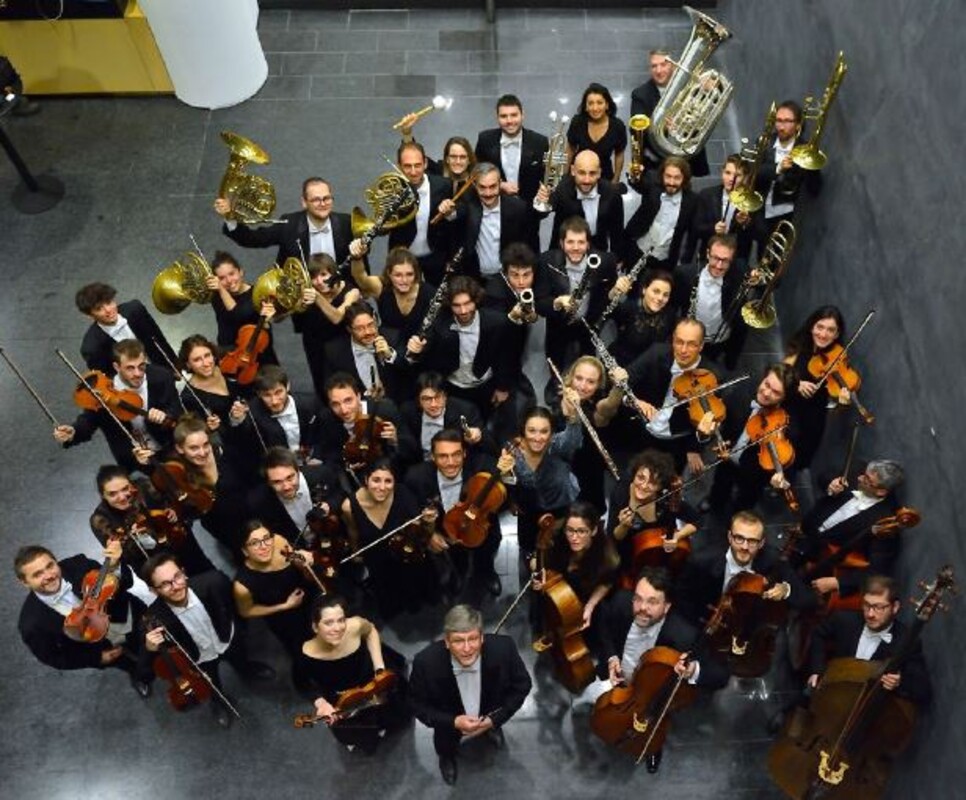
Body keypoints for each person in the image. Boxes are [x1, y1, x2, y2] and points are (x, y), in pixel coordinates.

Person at [596, 567, 728, 772]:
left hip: (654, 697)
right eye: (638, 599)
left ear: (666, 607)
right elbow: (603, 625)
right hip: (620, 683)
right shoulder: (621, 602)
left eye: (652, 602)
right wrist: (611, 657)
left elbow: (721, 676)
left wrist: (692, 670)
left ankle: (652, 747)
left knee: (653, 724)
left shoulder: (684, 635)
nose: (642, 608)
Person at [138, 553, 276, 728]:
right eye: (165, 584)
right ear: (154, 590)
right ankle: (218, 702)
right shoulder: (153, 619)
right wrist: (150, 648)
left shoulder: (215, 581)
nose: (176, 586)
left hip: (228, 640)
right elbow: (144, 668)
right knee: (211, 684)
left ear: (183, 572)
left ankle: (247, 669)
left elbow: (237, 608)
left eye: (177, 576)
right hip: (199, 660)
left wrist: (241, 630)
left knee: (240, 658)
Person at [410, 604, 532, 785]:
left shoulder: (504, 648)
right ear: (447, 641)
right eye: (458, 641)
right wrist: (453, 722)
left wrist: (494, 720)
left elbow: (522, 686)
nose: (467, 648)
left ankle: (491, 730)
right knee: (445, 745)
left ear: (482, 637)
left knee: (492, 725)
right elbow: (416, 704)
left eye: (473, 639)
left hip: (490, 712)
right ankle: (447, 757)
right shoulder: (425, 663)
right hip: (448, 726)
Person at [15, 542, 149, 696]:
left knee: (156, 645)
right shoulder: (31, 624)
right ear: (24, 582)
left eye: (50, 566)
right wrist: (97, 658)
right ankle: (140, 675)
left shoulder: (79, 564)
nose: (49, 576)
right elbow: (53, 657)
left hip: (133, 616)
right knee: (131, 664)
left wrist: (114, 567)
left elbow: (126, 582)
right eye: (37, 574)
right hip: (103, 647)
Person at [404, 429, 515, 597]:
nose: (451, 463)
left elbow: (509, 497)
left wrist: (507, 473)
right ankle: (457, 576)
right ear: (432, 457)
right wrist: (429, 533)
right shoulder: (416, 477)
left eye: (456, 455)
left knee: (486, 554)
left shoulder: (483, 465)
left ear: (464, 454)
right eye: (443, 456)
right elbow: (410, 508)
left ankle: (486, 573)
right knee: (456, 561)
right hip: (447, 532)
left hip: (482, 529)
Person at [294, 595, 410, 753]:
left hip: (372, 682)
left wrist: (379, 668)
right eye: (328, 623)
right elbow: (301, 683)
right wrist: (321, 703)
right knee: (357, 728)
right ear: (315, 627)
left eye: (341, 620)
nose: (337, 628)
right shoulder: (305, 654)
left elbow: (370, 631)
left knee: (392, 708)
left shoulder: (355, 625)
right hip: (342, 697)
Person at [407, 275, 517, 438]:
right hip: (453, 387)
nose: (463, 310)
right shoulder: (439, 324)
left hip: (484, 385)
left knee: (482, 430)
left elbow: (505, 357)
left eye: (467, 303)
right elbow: (425, 351)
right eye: (457, 305)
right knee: (455, 430)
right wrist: (416, 349)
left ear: (476, 300)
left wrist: (502, 387)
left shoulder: (496, 322)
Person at [54, 338, 181, 474]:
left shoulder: (162, 376)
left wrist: (166, 415)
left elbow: (176, 408)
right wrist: (74, 431)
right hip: (133, 460)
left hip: (168, 447)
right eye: (130, 368)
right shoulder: (103, 391)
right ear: (117, 367)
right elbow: (88, 420)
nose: (137, 373)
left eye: (141, 366)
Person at [674, 510, 814, 628]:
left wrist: (785, 590)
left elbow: (808, 599)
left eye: (752, 541)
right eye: (739, 538)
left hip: (749, 626)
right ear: (730, 537)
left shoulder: (773, 560)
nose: (745, 547)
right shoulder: (701, 560)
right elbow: (680, 596)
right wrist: (703, 625)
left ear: (761, 543)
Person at [805, 574, 931, 704]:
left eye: (879, 607)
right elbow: (818, 634)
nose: (870, 614)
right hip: (832, 695)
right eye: (866, 605)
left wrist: (899, 682)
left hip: (871, 706)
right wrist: (816, 670)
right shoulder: (844, 620)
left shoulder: (906, 641)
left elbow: (923, 689)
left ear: (895, 607)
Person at [340, 458, 441, 618]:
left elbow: (420, 531)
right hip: (378, 562)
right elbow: (353, 531)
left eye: (388, 481)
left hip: (407, 556)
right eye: (376, 480)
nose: (382, 487)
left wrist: (429, 523)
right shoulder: (348, 506)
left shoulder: (404, 494)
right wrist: (356, 552)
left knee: (419, 599)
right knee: (391, 604)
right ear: (366, 480)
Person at [794, 460, 904, 601]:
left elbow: (877, 571)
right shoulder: (858, 473)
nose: (859, 478)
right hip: (804, 532)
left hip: (822, 561)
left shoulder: (885, 524)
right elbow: (824, 476)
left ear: (881, 491)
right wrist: (830, 483)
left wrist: (837, 582)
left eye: (867, 480)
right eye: (864, 474)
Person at [620, 318, 719, 472]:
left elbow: (708, 420)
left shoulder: (712, 377)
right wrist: (634, 401)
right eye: (679, 342)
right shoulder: (655, 353)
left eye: (691, 344)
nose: (683, 350)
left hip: (677, 441)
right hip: (642, 430)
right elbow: (623, 383)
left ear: (701, 346)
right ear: (672, 340)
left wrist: (694, 446)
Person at [704, 362, 800, 514]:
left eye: (776, 392)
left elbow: (786, 462)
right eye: (766, 384)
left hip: (754, 474)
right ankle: (714, 502)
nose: (766, 393)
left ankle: (735, 518)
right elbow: (724, 418)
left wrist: (779, 477)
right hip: (727, 456)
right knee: (720, 483)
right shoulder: (741, 393)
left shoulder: (788, 428)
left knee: (745, 501)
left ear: (784, 398)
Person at [89, 464, 215, 579]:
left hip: (176, 538)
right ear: (103, 495)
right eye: (112, 494)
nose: (122, 497)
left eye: (125, 488)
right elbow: (124, 557)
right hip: (151, 563)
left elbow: (168, 501)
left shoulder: (143, 486)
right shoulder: (100, 519)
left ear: (131, 483)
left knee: (206, 573)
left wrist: (172, 511)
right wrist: (136, 540)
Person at [540, 216, 624, 373]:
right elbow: (539, 304)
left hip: (589, 323)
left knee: (588, 367)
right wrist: (557, 302)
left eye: (581, 242)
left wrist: (614, 291)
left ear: (588, 244)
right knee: (555, 364)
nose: (576, 248)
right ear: (561, 243)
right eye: (570, 242)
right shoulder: (547, 261)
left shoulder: (606, 261)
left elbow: (607, 295)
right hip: (558, 325)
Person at [215, 175, 353, 268]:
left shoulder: (347, 223)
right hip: (301, 296)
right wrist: (230, 217)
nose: (323, 204)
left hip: (340, 294)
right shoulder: (289, 225)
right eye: (316, 200)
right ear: (304, 202)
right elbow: (253, 239)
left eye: (327, 198)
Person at [606, 449, 699, 586]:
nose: (644, 486)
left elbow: (697, 520)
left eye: (653, 482)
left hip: (660, 555)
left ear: (660, 486)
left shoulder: (666, 498)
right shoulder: (621, 492)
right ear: (634, 475)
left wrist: (677, 536)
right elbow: (614, 537)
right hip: (629, 555)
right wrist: (624, 525)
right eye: (640, 478)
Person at [531, 502, 619, 638]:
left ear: (593, 530)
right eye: (570, 530)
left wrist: (590, 606)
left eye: (582, 531)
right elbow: (535, 559)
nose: (574, 537)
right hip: (554, 593)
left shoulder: (605, 554)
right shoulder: (556, 537)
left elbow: (606, 583)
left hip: (582, 598)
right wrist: (539, 573)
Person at [232, 520, 320, 656]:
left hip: (310, 598)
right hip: (287, 619)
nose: (264, 546)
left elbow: (290, 556)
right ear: (245, 551)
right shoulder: (242, 585)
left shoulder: (278, 541)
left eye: (266, 538)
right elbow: (246, 611)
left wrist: (301, 559)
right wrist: (286, 606)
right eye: (254, 543)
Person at [439, 161, 536, 281]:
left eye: (493, 186)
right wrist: (448, 211)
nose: (488, 193)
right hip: (474, 277)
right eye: (482, 187)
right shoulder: (468, 204)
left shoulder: (517, 208)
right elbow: (455, 215)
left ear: (500, 183)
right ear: (474, 185)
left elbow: (528, 244)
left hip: (507, 277)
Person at [783, 305, 851, 470]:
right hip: (788, 405)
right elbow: (782, 374)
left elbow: (834, 406)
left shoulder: (838, 358)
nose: (823, 334)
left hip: (813, 416)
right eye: (820, 327)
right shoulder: (799, 344)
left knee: (799, 456)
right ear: (812, 326)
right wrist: (797, 384)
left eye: (830, 330)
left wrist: (841, 402)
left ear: (837, 334)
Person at [510, 406, 583, 553]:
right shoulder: (513, 453)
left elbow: (573, 440)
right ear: (523, 431)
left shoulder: (556, 446)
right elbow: (509, 483)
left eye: (544, 431)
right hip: (528, 514)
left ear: (551, 434)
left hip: (560, 511)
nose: (537, 438)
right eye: (532, 431)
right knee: (528, 550)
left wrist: (573, 416)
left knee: (560, 552)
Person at [630, 49, 710, 179]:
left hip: (686, 154)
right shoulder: (640, 94)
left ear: (673, 65)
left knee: (685, 188)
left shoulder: (691, 86)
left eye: (663, 64)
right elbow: (635, 130)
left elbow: (707, 110)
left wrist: (707, 90)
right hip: (657, 159)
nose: (659, 70)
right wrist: (661, 127)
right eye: (654, 66)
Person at [673, 233, 748, 370]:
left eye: (725, 261)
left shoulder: (739, 278)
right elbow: (673, 308)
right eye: (715, 258)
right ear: (707, 254)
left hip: (718, 343)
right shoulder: (685, 274)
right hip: (689, 341)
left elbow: (741, 323)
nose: (719, 266)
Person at [753, 100, 822, 248]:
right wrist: (778, 168)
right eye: (778, 120)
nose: (781, 126)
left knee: (773, 256)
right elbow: (753, 172)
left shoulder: (804, 150)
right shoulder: (764, 142)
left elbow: (814, 188)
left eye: (787, 121)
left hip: (783, 214)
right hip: (758, 209)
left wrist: (811, 163)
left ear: (798, 125)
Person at [316, 372, 416, 474]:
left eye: (348, 401)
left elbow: (412, 451)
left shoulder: (385, 410)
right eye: (335, 404)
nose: (344, 410)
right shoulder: (327, 418)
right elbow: (330, 455)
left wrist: (395, 440)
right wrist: (347, 465)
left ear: (358, 396)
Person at [293, 252, 362, 399]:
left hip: (343, 345)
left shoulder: (351, 292)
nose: (319, 281)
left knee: (348, 384)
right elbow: (281, 317)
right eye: (313, 277)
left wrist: (318, 298)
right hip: (315, 344)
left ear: (334, 272)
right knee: (321, 385)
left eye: (324, 274)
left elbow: (337, 317)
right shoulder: (307, 292)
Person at [534, 149, 625, 257]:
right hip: (564, 250)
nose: (587, 180)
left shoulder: (612, 193)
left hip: (597, 250)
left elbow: (617, 231)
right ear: (572, 170)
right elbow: (541, 214)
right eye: (581, 173)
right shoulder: (561, 188)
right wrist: (540, 200)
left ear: (599, 173)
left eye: (592, 173)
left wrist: (617, 258)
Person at [388, 141, 454, 286]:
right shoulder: (391, 189)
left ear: (425, 163)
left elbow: (450, 226)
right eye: (407, 166)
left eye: (417, 165)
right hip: (403, 259)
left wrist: (450, 212)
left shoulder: (443, 185)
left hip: (435, 256)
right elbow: (385, 227)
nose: (413, 172)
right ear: (399, 166)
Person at [75, 282, 176, 377]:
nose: (108, 310)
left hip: (161, 368)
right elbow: (109, 378)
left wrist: (175, 366)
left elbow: (158, 338)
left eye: (109, 302)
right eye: (99, 308)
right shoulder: (91, 348)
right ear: (90, 315)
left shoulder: (135, 309)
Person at [248, 446, 344, 545]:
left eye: (290, 477)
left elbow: (340, 493)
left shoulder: (321, 474)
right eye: (277, 482)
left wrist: (328, 506)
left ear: (298, 471)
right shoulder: (259, 502)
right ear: (268, 482)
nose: (286, 487)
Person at [205, 251, 279, 367]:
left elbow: (239, 314)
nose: (229, 281)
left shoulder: (257, 294)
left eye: (232, 274)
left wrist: (221, 289)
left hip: (259, 359)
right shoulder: (217, 297)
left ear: (241, 272)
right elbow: (233, 315)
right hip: (229, 357)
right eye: (222, 278)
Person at [624, 156, 698, 272]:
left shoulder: (692, 201)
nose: (671, 182)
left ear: (685, 179)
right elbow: (638, 183)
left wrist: (684, 261)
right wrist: (634, 177)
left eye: (677, 178)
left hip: (665, 260)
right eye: (668, 176)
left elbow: (691, 235)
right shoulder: (652, 184)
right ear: (662, 175)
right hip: (637, 249)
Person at [474, 93, 549, 207]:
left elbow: (546, 176)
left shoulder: (539, 142)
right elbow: (476, 172)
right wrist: (500, 185)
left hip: (530, 208)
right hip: (494, 206)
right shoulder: (485, 139)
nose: (509, 121)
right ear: (497, 117)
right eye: (503, 116)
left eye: (514, 115)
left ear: (522, 115)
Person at [351, 247, 435, 346]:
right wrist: (357, 257)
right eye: (398, 275)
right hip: (389, 346)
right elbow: (360, 277)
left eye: (409, 274)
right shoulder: (381, 288)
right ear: (389, 274)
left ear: (416, 274)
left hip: (420, 346)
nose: (404, 280)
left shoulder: (429, 293)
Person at [323, 301, 403, 400]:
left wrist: (390, 355)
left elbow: (408, 372)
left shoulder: (393, 337)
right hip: (358, 405)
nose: (368, 332)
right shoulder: (334, 351)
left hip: (394, 402)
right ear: (349, 329)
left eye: (371, 325)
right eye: (359, 328)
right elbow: (331, 389)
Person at [399, 371, 486, 461]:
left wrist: (477, 437)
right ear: (418, 400)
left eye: (438, 397)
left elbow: (486, 446)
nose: (433, 404)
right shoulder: (408, 412)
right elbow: (407, 451)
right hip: (422, 463)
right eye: (426, 399)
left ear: (445, 396)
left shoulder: (465, 410)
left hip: (456, 463)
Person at [244, 364, 324, 461]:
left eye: (278, 392)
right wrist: (237, 419)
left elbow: (324, 433)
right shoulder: (252, 411)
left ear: (288, 386)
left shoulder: (310, 403)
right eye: (267, 395)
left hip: (311, 459)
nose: (274, 401)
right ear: (259, 394)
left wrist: (317, 456)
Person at [688, 154, 756, 264]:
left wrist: (744, 224)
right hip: (708, 256)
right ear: (722, 172)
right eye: (727, 173)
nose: (731, 179)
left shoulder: (750, 201)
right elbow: (696, 228)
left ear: (745, 177)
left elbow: (753, 236)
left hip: (735, 259)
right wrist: (713, 229)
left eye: (737, 175)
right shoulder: (706, 195)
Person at [610, 269, 676, 366]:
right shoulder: (628, 308)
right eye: (656, 291)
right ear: (644, 289)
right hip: (621, 367)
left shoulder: (670, 315)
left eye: (665, 295)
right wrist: (614, 292)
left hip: (650, 369)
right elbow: (607, 311)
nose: (660, 298)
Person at [566, 83, 628, 186]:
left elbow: (619, 154)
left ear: (607, 105)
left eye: (600, 103)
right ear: (586, 107)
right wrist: (564, 176)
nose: (595, 108)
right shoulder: (578, 122)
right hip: (579, 174)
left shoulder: (618, 126)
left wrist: (615, 180)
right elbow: (570, 149)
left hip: (604, 175)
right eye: (590, 103)